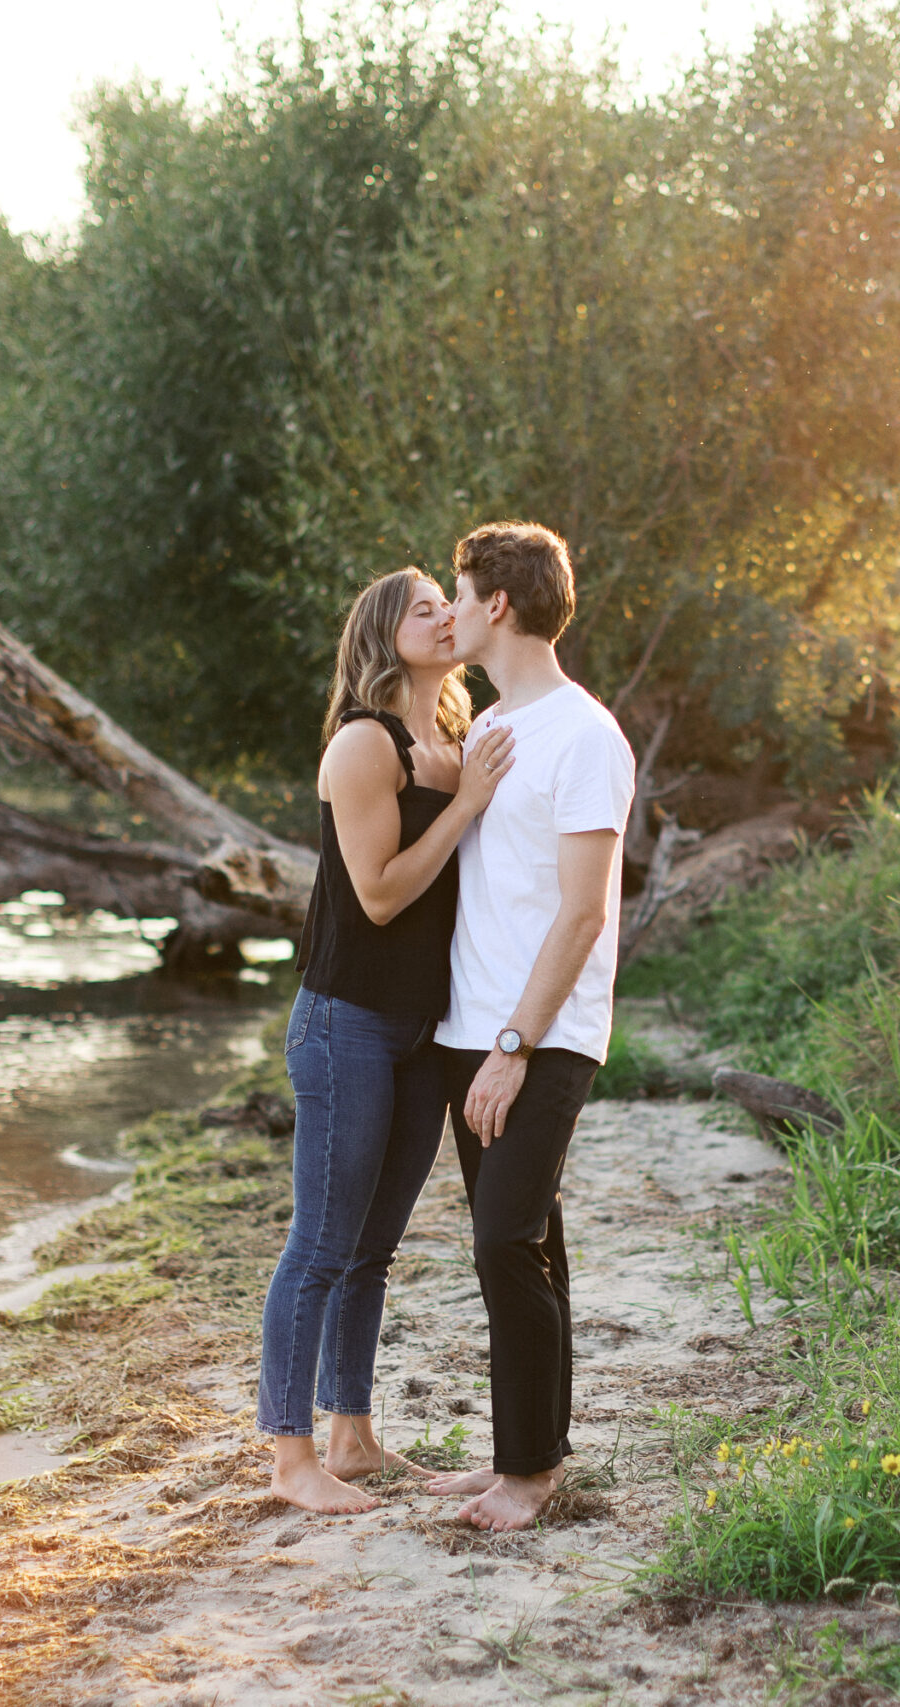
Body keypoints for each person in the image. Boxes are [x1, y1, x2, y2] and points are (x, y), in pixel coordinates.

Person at [260, 567, 516, 1515]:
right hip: (346, 1023)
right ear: (381, 632)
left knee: (372, 1249)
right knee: (321, 1244)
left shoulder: (454, 745)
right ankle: (291, 1459)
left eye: (447, 605)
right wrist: (467, 804)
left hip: (425, 1027)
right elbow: (377, 894)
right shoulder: (365, 746)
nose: (446, 616)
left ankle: (353, 1437)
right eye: (424, 608)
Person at [419, 522, 637, 1532]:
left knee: (504, 1242)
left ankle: (527, 1478)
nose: (451, 613)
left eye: (458, 596)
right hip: (475, 1028)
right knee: (527, 1241)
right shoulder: (496, 728)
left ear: (496, 605)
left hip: (538, 1037)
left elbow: (585, 909)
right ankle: (529, 1453)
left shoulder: (586, 737)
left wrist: (514, 1046)